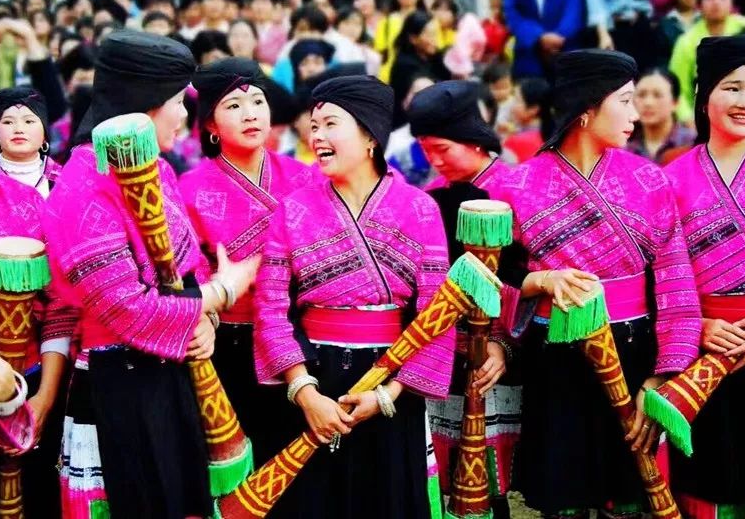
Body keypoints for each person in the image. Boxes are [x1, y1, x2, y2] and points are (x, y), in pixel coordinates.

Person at [43, 30, 258, 519]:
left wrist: (207, 321)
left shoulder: (156, 169)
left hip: (173, 375)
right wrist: (220, 294)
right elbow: (125, 307)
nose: (185, 115)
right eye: (178, 101)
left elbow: (186, 269)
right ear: (143, 104)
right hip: (119, 385)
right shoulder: (80, 187)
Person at [503, 49, 701, 517]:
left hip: (634, 354)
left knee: (629, 494)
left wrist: (664, 375)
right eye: (626, 100)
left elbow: (674, 281)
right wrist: (538, 281)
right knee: (562, 498)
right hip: (553, 361)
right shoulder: (517, 184)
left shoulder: (650, 181)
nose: (635, 114)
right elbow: (493, 279)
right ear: (587, 108)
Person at [253, 75, 455, 518]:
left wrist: (390, 394)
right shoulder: (293, 208)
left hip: (391, 384)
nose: (316, 135)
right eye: (314, 125)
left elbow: (437, 315)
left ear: (369, 135)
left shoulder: (420, 209)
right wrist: (305, 392)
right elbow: (270, 308)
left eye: (330, 124)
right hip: (313, 380)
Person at [664, 34, 745, 518]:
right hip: (707, 356)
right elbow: (660, 279)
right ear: (703, 93)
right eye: (732, 88)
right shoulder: (670, 179)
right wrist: (697, 327)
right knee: (708, 482)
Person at [179, 57, 314, 466]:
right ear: (210, 126)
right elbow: (189, 270)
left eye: (257, 101)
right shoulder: (189, 188)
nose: (250, 113)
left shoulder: (305, 178)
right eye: (233, 106)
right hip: (226, 344)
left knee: (294, 463)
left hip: (296, 337)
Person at [408, 80, 523, 519]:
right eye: (426, 151)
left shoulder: (515, 188)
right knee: (451, 464)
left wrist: (503, 342)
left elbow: (527, 276)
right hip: (445, 347)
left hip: (502, 351)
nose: (435, 161)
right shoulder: (432, 198)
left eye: (443, 148)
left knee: (496, 475)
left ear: (475, 141)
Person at [0, 164, 74, 519]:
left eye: (29, 118)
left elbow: (59, 306)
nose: (19, 127)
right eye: (9, 119)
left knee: (37, 487)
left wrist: (44, 397)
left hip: (35, 366)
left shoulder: (58, 192)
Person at [669, 0, 745, 123]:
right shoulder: (686, 41)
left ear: (732, 3)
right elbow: (678, 89)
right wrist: (688, 119)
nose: (716, 2)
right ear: (699, 5)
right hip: (703, 116)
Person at [504, 0, 587, 77]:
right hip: (529, 53)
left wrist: (560, 36)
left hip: (568, 50)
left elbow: (575, 7)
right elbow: (512, 14)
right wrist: (538, 36)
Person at [0, 88, 62, 197]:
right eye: (8, 122)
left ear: (44, 133)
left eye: (29, 121)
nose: (19, 129)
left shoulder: (63, 180)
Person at [389, 12, 450, 128]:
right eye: (429, 35)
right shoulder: (404, 64)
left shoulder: (435, 57)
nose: (434, 39)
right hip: (407, 127)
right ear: (413, 39)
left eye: (435, 34)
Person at [628, 68, 696, 163]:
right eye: (641, 95)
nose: (648, 103)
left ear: (675, 102)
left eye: (657, 95)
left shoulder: (693, 145)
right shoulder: (625, 147)